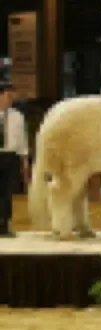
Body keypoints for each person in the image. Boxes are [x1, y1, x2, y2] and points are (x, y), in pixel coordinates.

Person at [0, 83, 29, 237]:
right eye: (8, 96)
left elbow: (22, 141)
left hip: (11, 157)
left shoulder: (18, 116)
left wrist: (24, 162)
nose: (11, 100)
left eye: (13, 97)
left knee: (7, 193)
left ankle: (4, 225)